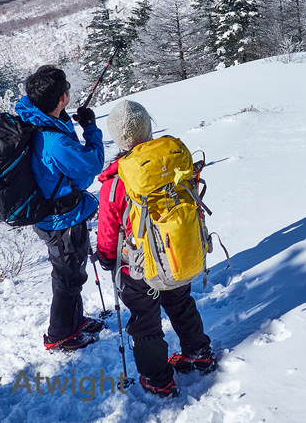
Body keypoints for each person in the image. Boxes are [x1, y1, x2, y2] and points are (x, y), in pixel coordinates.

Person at [94, 99, 215, 398]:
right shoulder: (170, 162)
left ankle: (158, 379)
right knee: (181, 303)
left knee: (145, 322)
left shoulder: (116, 181)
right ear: (148, 128)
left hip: (137, 266)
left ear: (118, 138)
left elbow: (109, 231)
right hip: (173, 253)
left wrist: (108, 259)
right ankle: (198, 352)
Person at [15, 65, 106, 351]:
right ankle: (59, 335)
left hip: (53, 215)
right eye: (66, 88)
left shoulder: (36, 116)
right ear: (62, 97)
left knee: (67, 272)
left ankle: (73, 322)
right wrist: (90, 129)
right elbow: (90, 167)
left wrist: (68, 119)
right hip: (61, 219)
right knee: (69, 277)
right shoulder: (54, 142)